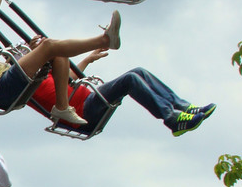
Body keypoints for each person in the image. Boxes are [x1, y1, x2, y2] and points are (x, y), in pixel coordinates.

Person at [31, 47, 216, 137]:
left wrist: (88, 59)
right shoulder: (27, 82)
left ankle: (183, 108)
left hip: (87, 99)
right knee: (130, 81)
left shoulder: (44, 73)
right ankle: (172, 118)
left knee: (138, 71)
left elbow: (68, 77)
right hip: (82, 112)